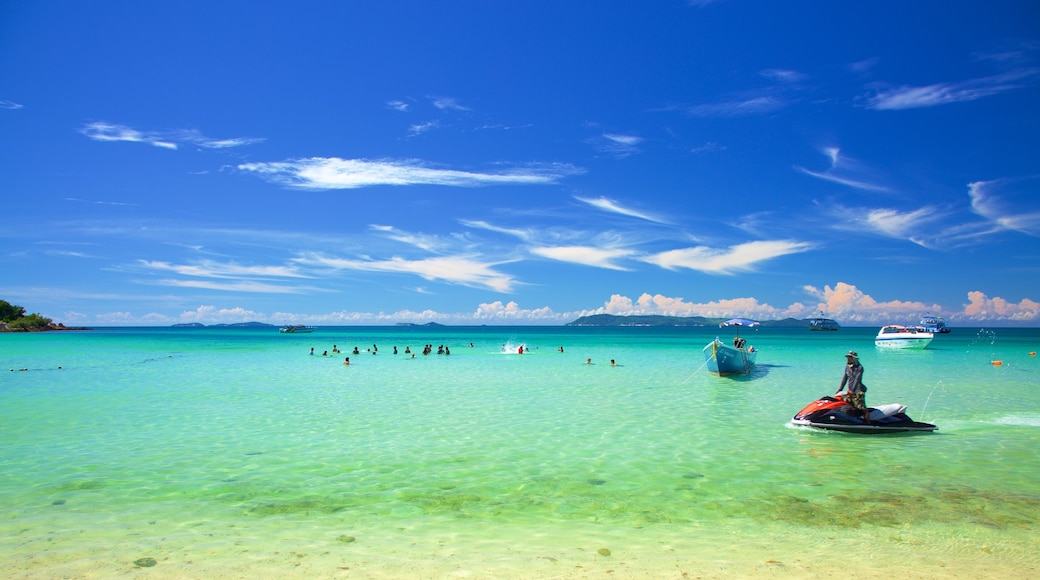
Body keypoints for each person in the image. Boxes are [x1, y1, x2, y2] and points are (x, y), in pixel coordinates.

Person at [836, 350, 869, 423]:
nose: (848, 359)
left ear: (854, 359)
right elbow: (845, 378)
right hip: (850, 391)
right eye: (847, 358)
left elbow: (857, 379)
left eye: (849, 358)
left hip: (858, 391)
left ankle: (868, 424)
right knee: (849, 407)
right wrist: (840, 389)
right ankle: (851, 422)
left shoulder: (859, 368)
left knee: (862, 408)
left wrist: (852, 390)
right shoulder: (847, 367)